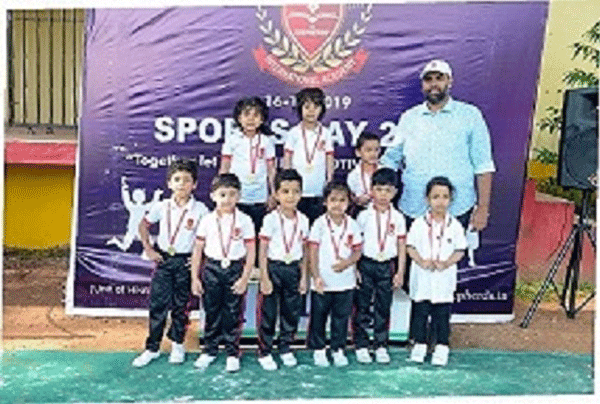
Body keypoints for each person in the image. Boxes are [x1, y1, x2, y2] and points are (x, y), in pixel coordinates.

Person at [380, 59, 494, 284]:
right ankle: (415, 308)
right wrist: (377, 188)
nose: (434, 84)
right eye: (428, 79)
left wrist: (483, 208)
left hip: (456, 207)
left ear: (450, 81)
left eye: (439, 78)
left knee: (446, 272)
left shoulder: (470, 115)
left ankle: (442, 308)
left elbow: (484, 165)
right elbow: (391, 159)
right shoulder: (409, 118)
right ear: (422, 85)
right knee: (414, 272)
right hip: (414, 206)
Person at [132, 159, 209, 368]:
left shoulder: (200, 210)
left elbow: (206, 238)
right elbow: (143, 225)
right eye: (177, 179)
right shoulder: (161, 206)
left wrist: (198, 260)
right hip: (164, 259)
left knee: (181, 306)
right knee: (158, 304)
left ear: (194, 184)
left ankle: (177, 344)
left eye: (187, 180)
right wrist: (148, 248)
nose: (181, 184)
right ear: (169, 183)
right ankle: (152, 347)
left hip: (185, 262)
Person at [190, 173, 256, 373]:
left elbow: (251, 251)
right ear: (213, 196)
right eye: (222, 194)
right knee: (211, 311)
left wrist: (245, 278)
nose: (227, 199)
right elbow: (197, 250)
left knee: (233, 312)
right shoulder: (206, 220)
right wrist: (195, 278)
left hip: (235, 269)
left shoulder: (245, 220)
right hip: (212, 268)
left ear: (239, 196)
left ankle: (232, 352)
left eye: (232, 194)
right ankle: (209, 350)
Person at [406, 176, 467, 366]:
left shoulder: (455, 226)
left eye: (445, 197)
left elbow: (460, 250)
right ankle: (419, 345)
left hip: (443, 277)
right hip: (422, 276)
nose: (440, 201)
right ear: (427, 199)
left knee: (442, 315)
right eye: (435, 197)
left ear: (451, 200)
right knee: (420, 313)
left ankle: (442, 346)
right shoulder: (418, 224)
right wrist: (421, 261)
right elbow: (410, 247)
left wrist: (447, 263)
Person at [256, 169, 309, 370]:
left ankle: (286, 347)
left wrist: (304, 277)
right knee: (268, 312)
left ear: (301, 194)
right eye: (285, 191)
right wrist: (264, 276)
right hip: (273, 268)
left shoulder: (303, 220)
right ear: (276, 194)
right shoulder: (270, 219)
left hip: (293, 269)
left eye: (295, 191)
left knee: (291, 312)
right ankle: (265, 350)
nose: (290, 196)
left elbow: (305, 250)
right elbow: (263, 249)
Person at [353, 168, 406, 364]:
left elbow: (401, 245)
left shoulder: (398, 218)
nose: (383, 195)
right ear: (371, 190)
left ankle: (381, 345)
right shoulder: (363, 216)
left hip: (387, 266)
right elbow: (355, 245)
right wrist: (355, 268)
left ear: (395, 192)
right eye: (379, 189)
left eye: (388, 190)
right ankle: (361, 345)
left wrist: (400, 271)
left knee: (383, 306)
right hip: (366, 264)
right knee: (362, 306)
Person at [307, 181, 362, 367]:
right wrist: (316, 276)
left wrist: (347, 263)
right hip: (323, 281)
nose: (337, 204)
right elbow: (312, 252)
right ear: (325, 202)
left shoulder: (353, 225)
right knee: (319, 317)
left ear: (349, 203)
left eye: (342, 200)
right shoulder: (319, 224)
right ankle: (319, 349)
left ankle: (338, 349)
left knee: (341, 318)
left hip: (345, 282)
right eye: (333, 200)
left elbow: (357, 252)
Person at [220, 97, 276, 235]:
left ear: (262, 119)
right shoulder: (232, 140)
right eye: (246, 114)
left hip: (260, 198)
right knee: (236, 235)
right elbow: (224, 168)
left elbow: (271, 170)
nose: (251, 119)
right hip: (237, 197)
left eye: (256, 115)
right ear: (239, 118)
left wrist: (274, 194)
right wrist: (221, 193)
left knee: (257, 234)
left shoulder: (267, 141)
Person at [283, 87, 334, 224]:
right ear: (299, 109)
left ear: (322, 109)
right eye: (307, 107)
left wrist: (329, 181)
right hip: (297, 191)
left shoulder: (326, 133)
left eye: (316, 107)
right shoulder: (293, 133)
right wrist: (286, 182)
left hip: (318, 189)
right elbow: (287, 159)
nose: (311, 111)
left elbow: (329, 159)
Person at [347, 132, 381, 217]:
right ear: (358, 152)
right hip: (361, 212)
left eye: (376, 150)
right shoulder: (353, 175)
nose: (373, 154)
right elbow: (351, 198)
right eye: (368, 150)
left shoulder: (384, 171)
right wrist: (358, 201)